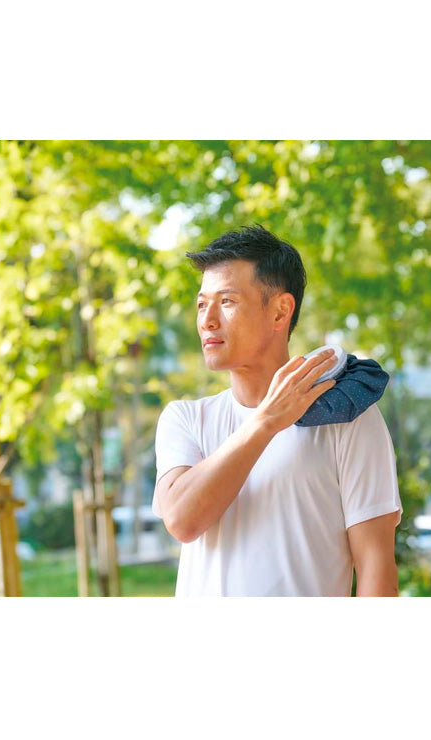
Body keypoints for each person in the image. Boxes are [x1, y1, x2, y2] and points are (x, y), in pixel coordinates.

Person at [152, 225, 402, 596]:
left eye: (227, 301)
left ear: (280, 311)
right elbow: (181, 520)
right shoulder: (186, 419)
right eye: (202, 304)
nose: (207, 320)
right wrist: (266, 421)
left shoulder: (348, 418)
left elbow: (376, 568)